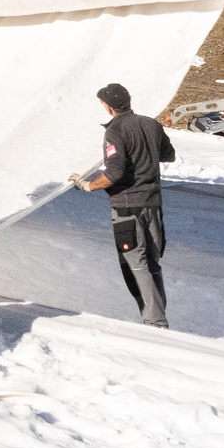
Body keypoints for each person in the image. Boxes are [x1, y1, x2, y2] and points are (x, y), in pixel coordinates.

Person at [72, 82, 174, 329]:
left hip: (128, 207)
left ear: (108, 107)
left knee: (135, 264)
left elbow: (114, 173)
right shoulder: (151, 124)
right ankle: (156, 317)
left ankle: (155, 322)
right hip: (153, 204)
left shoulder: (115, 130)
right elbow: (168, 154)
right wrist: (144, 152)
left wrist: (87, 185)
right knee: (152, 263)